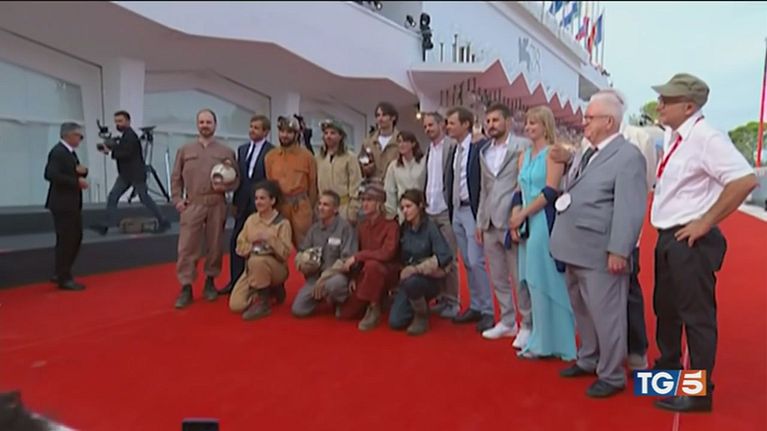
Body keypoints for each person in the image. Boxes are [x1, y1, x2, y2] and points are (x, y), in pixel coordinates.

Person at [650, 73, 757, 412]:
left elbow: (744, 180)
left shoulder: (706, 138)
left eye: (667, 100)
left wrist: (705, 221)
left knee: (696, 317)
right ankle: (667, 374)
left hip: (690, 240)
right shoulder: (675, 135)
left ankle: (698, 393)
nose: (659, 105)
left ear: (689, 106)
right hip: (668, 235)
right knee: (666, 310)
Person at [550, 90, 647, 398]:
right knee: (582, 310)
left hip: (600, 251)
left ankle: (612, 374)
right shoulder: (586, 152)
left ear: (609, 121)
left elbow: (630, 208)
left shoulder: (628, 156)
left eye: (590, 118)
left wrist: (619, 250)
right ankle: (589, 357)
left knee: (608, 316)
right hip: (573, 246)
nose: (584, 122)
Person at [509, 106, 575, 360]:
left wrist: (523, 214)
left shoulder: (553, 153)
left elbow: (550, 192)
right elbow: (518, 190)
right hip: (526, 222)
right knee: (530, 281)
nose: (528, 127)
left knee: (546, 280)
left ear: (545, 125)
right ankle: (540, 338)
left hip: (544, 223)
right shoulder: (523, 156)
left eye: (533, 123)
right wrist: (515, 215)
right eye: (527, 123)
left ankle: (557, 342)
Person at [475, 103, 533, 344]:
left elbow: (525, 183)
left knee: (519, 277)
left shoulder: (523, 146)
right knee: (498, 277)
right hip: (489, 222)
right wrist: (480, 221)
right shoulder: (484, 151)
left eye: (495, 120)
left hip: (512, 221)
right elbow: (484, 189)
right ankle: (508, 321)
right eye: (488, 121)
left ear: (508, 122)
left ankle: (527, 324)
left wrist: (519, 216)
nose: (491, 125)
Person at [171, 109, 239, 309]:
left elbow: (236, 179)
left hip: (216, 203)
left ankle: (210, 281)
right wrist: (177, 199)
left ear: (215, 125)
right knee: (187, 247)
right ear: (197, 125)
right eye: (201, 122)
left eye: (209, 122)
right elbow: (176, 177)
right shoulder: (185, 150)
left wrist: (226, 188)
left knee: (215, 245)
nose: (205, 125)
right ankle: (186, 286)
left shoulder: (226, 152)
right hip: (193, 203)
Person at [219, 115, 274, 296]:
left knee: (260, 244)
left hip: (261, 204)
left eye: (256, 128)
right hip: (242, 203)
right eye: (251, 127)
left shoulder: (271, 152)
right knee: (237, 241)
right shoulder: (242, 150)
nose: (252, 130)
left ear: (266, 131)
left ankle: (262, 284)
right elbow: (239, 178)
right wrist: (234, 202)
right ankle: (235, 282)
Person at [91, 110, 170, 235]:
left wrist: (110, 152)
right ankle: (105, 225)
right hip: (126, 174)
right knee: (113, 197)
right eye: (116, 121)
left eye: (120, 121)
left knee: (144, 198)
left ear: (128, 121)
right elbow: (124, 150)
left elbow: (126, 153)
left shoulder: (130, 136)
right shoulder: (126, 136)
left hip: (135, 174)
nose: (118, 124)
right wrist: (112, 148)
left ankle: (164, 221)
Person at [445, 107, 491, 322]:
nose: (448, 126)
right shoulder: (454, 150)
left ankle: (487, 310)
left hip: (472, 211)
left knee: (476, 260)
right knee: (466, 261)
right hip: (456, 210)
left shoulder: (479, 147)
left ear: (465, 124)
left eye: (452, 123)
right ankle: (475, 305)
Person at [389, 189, 454, 336]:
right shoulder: (404, 228)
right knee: (395, 322)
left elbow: (445, 256)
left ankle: (421, 316)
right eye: (402, 208)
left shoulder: (430, 227)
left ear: (420, 206)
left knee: (413, 282)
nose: (405, 211)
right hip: (407, 279)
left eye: (409, 206)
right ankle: (412, 305)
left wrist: (417, 269)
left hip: (429, 279)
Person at [338, 181, 400, 330]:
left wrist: (360, 256)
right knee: (344, 314)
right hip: (365, 272)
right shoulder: (362, 226)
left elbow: (387, 253)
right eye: (363, 200)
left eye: (369, 200)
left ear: (379, 203)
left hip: (387, 271)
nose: (364, 204)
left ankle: (374, 306)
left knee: (373, 266)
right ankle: (377, 298)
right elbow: (356, 250)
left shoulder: (391, 225)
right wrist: (353, 276)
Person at [228, 180, 292, 320]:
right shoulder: (251, 220)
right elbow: (239, 246)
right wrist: (251, 245)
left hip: (275, 266)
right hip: (252, 266)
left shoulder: (282, 223)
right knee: (236, 305)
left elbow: (285, 253)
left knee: (258, 262)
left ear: (272, 201)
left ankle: (263, 304)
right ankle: (265, 289)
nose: (258, 202)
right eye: (256, 198)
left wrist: (270, 240)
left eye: (262, 198)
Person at [421, 112, 463, 324]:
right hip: (430, 209)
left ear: (441, 125)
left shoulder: (452, 147)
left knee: (450, 258)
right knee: (435, 256)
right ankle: (441, 297)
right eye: (425, 126)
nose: (427, 129)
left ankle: (453, 301)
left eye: (431, 125)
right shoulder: (428, 150)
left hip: (446, 210)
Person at [291, 191, 357, 318]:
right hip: (315, 278)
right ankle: (323, 296)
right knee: (299, 309)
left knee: (334, 285)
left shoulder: (345, 228)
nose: (321, 208)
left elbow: (346, 260)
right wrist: (301, 263)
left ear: (335, 209)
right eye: (320, 204)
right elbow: (301, 251)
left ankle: (340, 301)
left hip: (337, 276)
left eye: (326, 205)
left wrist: (324, 278)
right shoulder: (314, 229)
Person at [44, 122, 89, 291]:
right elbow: (50, 174)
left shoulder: (69, 153)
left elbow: (71, 171)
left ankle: (60, 272)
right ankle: (64, 277)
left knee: (71, 238)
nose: (80, 139)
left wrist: (83, 172)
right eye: (78, 135)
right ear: (67, 135)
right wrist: (75, 182)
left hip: (70, 203)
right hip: (63, 203)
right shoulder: (58, 152)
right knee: (68, 239)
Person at [265, 115, 318, 247]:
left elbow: (313, 186)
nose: (285, 135)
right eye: (282, 131)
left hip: (300, 206)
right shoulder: (270, 157)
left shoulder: (307, 157)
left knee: (305, 245)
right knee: (278, 245)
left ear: (296, 134)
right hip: (279, 206)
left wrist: (310, 208)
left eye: (289, 132)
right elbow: (269, 184)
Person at [316, 119, 363, 224]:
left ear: (340, 136)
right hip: (324, 208)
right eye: (326, 133)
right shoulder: (319, 158)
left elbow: (355, 185)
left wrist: (353, 210)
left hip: (343, 207)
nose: (328, 136)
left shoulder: (350, 158)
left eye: (332, 133)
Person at [384, 131, 426, 221]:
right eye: (399, 142)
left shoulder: (424, 163)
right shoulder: (394, 166)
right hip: (402, 212)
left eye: (405, 141)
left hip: (421, 210)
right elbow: (390, 191)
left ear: (413, 144)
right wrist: (391, 214)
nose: (401, 145)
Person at [358, 102, 401, 184]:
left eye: (384, 115)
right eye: (378, 115)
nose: (380, 119)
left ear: (393, 117)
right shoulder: (368, 142)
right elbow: (359, 166)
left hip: (393, 186)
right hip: (371, 186)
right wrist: (364, 169)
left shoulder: (401, 141)